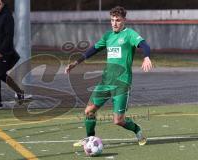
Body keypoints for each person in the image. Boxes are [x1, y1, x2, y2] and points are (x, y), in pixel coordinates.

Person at [65, 6, 152, 146]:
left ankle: (137, 129)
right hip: (105, 82)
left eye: (117, 20)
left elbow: (144, 44)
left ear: (124, 20)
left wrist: (146, 57)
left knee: (118, 120)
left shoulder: (129, 34)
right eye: (112, 20)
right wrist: (76, 63)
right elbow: (93, 49)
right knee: (89, 111)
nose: (114, 23)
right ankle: (89, 139)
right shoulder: (108, 36)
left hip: (122, 84)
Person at [0, 0, 24, 108]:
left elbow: (9, 36)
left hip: (3, 52)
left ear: (3, 4)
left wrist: (1, 51)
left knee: (0, 74)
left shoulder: (7, 16)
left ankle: (19, 91)